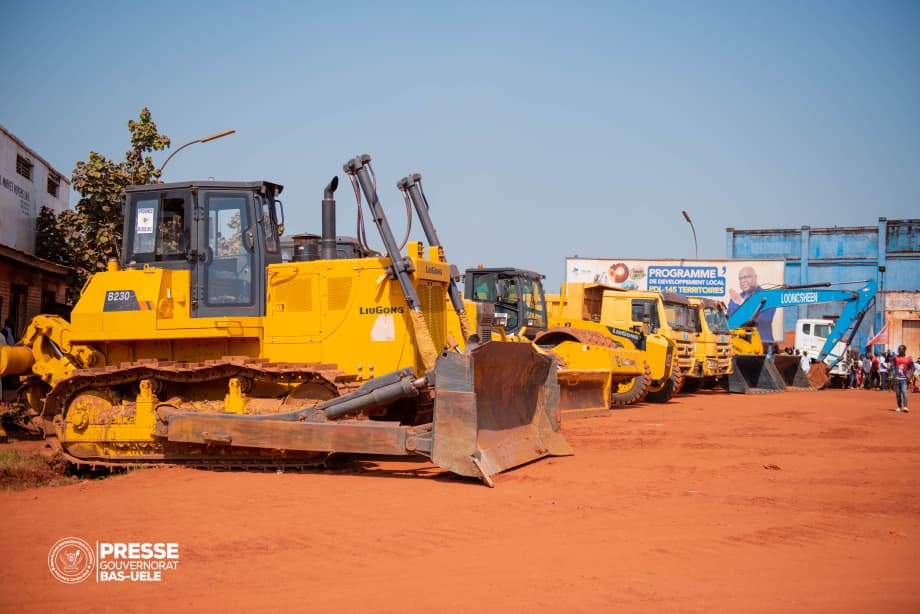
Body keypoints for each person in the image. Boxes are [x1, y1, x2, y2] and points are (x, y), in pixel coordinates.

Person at [727, 266, 776, 343]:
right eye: (740, 279)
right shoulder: (735, 299)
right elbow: (731, 321)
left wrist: (742, 303)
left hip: (762, 344)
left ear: (755, 277)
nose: (743, 281)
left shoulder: (767, 296)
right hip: (739, 345)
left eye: (746, 277)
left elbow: (765, 319)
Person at [892, 344, 915, 413]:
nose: (900, 350)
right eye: (899, 349)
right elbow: (892, 364)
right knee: (898, 393)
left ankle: (905, 406)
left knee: (905, 392)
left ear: (904, 350)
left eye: (901, 349)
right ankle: (899, 407)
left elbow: (913, 367)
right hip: (897, 378)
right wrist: (891, 369)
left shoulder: (908, 358)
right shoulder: (895, 357)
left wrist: (909, 375)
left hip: (904, 379)